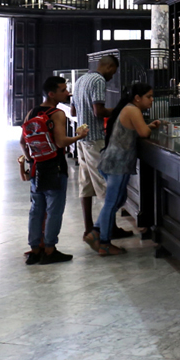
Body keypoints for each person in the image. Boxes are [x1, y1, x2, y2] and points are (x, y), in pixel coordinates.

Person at [22, 76, 88, 265]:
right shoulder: (57, 114)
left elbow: (22, 142)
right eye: (63, 90)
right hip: (55, 167)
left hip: (37, 167)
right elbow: (60, 142)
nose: (67, 93)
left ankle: (35, 249)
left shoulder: (32, 112)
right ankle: (50, 249)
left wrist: (31, 160)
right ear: (51, 94)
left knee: (36, 209)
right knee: (54, 210)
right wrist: (79, 136)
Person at [90, 82, 161, 256]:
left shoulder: (128, 108)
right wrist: (148, 128)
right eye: (148, 97)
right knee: (112, 202)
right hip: (118, 163)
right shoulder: (133, 110)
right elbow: (143, 133)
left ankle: (95, 232)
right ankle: (104, 243)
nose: (151, 100)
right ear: (137, 98)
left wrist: (149, 126)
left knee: (118, 199)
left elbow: (136, 130)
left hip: (113, 161)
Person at [71, 56, 134, 243]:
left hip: (82, 139)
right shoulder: (98, 80)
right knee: (107, 186)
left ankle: (88, 228)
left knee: (86, 184)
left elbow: (73, 112)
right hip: (95, 139)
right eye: (113, 71)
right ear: (109, 66)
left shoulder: (81, 79)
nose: (112, 75)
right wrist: (121, 110)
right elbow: (98, 111)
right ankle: (107, 230)